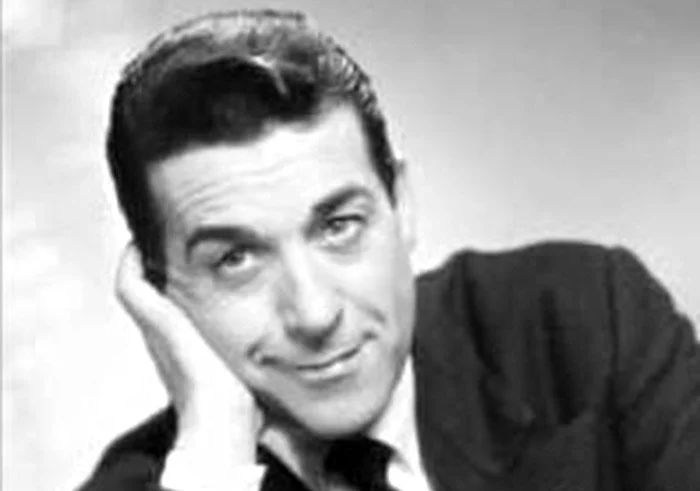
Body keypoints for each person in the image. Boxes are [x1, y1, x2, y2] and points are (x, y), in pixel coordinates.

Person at [78, 9, 700, 491]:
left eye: (338, 226)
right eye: (234, 260)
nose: (315, 313)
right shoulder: (163, 478)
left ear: (401, 205)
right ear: (160, 292)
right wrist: (216, 447)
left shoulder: (578, 318)